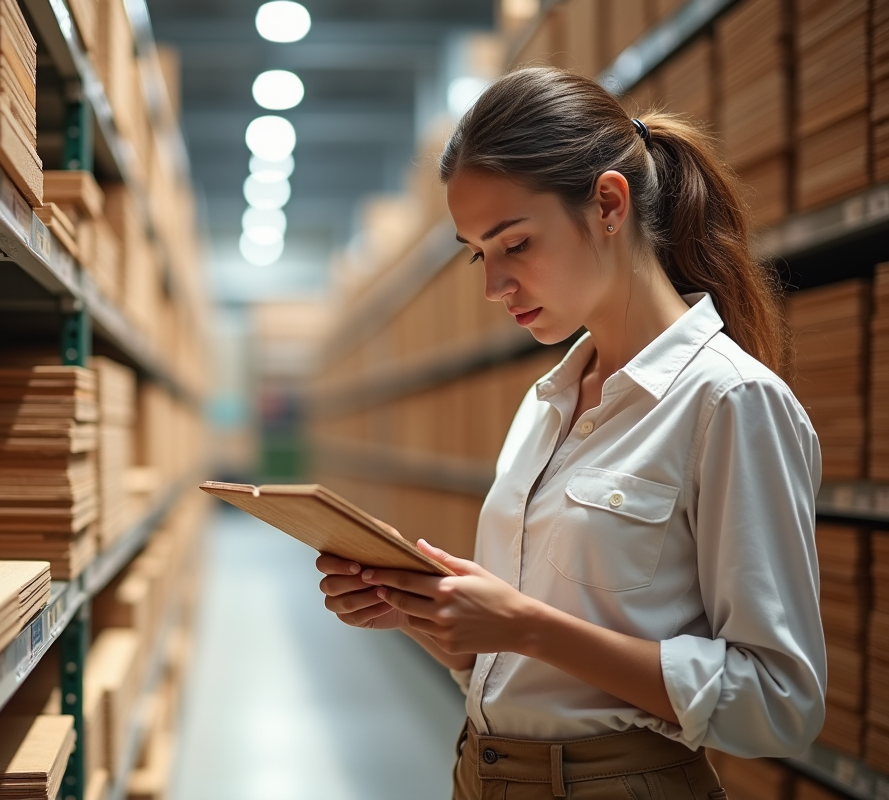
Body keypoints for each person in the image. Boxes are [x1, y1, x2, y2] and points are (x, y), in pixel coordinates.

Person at [315, 66, 825, 800]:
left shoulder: (731, 402)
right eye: (477, 254)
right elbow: (534, 675)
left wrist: (526, 627)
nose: (494, 287)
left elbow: (780, 707)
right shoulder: (546, 402)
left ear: (609, 205)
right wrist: (423, 613)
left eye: (515, 243)